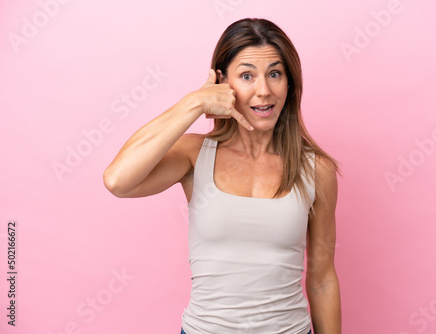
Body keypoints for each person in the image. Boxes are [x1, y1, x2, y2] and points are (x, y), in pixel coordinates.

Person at [103, 18, 341, 334]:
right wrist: (195, 102)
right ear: (222, 83)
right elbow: (118, 180)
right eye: (246, 76)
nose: (264, 91)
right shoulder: (194, 155)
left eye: (274, 74)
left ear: (289, 82)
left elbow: (322, 279)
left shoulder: (315, 170)